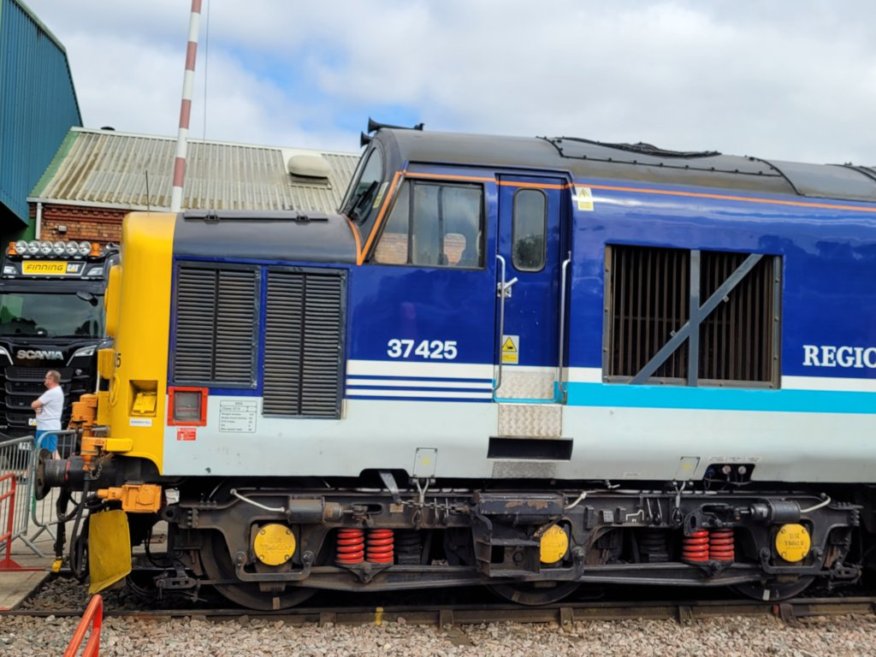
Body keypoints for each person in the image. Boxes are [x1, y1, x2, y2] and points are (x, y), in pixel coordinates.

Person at [31, 370, 63, 459]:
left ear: (51, 379)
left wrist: (36, 407)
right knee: (39, 452)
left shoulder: (52, 392)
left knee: (52, 452)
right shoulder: (57, 391)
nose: (44, 380)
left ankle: (61, 472)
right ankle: (29, 472)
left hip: (47, 428)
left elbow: (34, 404)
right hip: (46, 427)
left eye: (46, 378)